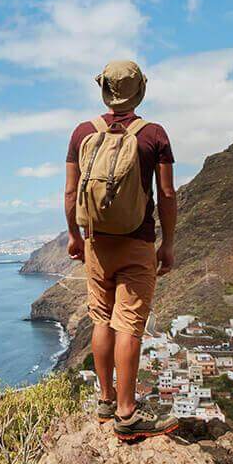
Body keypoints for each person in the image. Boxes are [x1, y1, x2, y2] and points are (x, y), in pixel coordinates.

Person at [63, 60, 180, 442]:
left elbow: (70, 193)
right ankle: (127, 416)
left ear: (104, 91)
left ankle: (105, 400)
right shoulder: (154, 135)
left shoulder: (82, 133)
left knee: (101, 319)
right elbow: (165, 194)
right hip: (138, 242)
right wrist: (168, 243)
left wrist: (74, 236)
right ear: (140, 91)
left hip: (97, 242)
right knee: (129, 324)